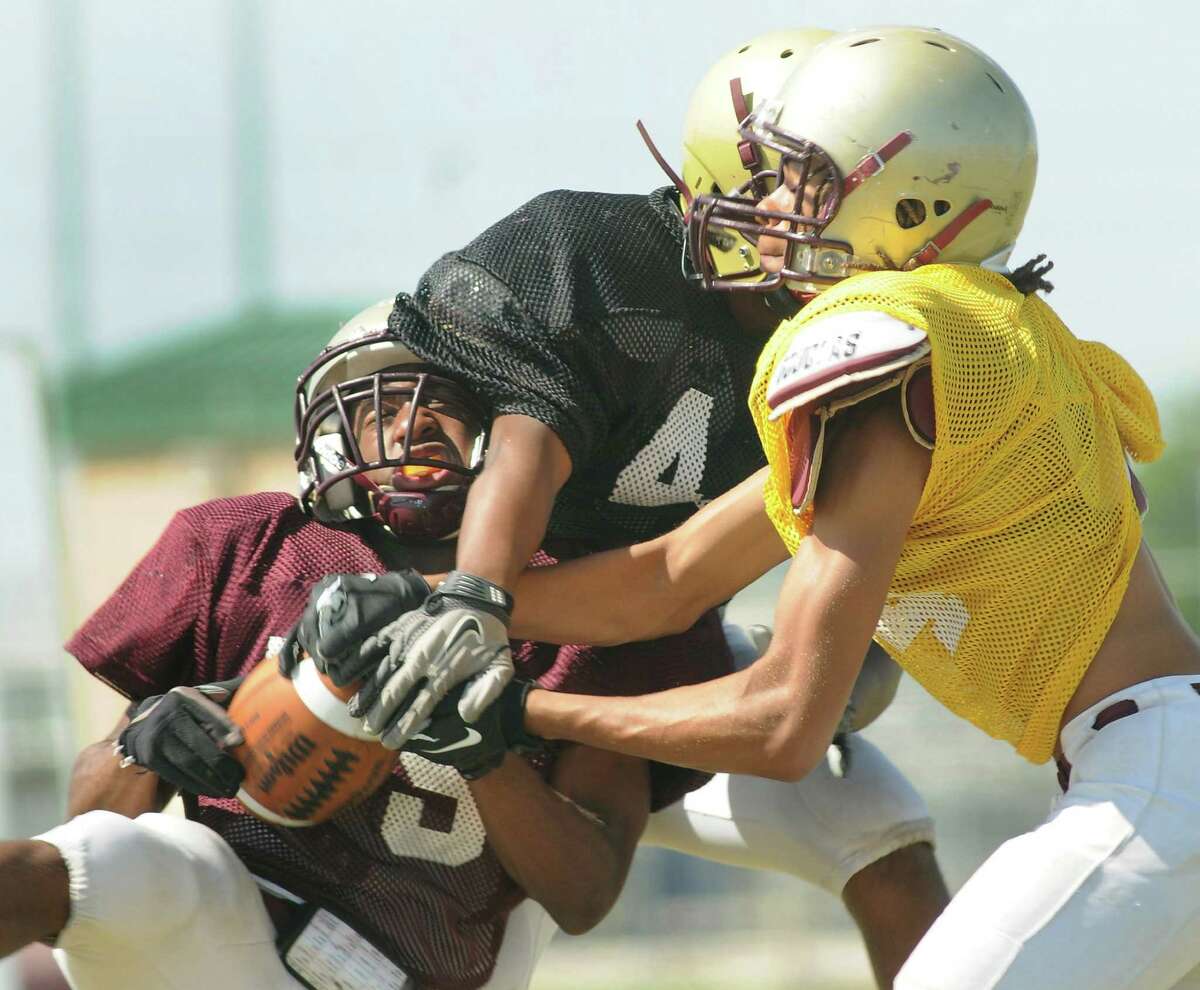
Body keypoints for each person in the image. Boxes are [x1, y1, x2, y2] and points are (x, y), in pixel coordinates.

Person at [345, 25, 1200, 990]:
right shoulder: (972, 336)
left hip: (1158, 776)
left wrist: (527, 715)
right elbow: (668, 581)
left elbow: (786, 722)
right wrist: (451, 604)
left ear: (911, 203)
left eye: (807, 179)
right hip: (1152, 765)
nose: (769, 205)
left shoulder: (890, 351)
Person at [285, 27, 949, 988]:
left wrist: (835, 645)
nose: (814, 208)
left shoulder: (848, 352)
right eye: (799, 177)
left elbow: (671, 590)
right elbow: (527, 442)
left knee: (883, 833)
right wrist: (459, 599)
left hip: (632, 674)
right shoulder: (598, 262)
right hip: (475, 656)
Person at [0, 311, 728, 990]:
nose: (411, 424)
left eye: (443, 400)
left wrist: (484, 754)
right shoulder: (248, 549)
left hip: (409, 970)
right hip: (221, 921)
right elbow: (84, 824)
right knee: (87, 861)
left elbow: (585, 893)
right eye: (380, 410)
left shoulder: (591, 593)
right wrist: (141, 746)